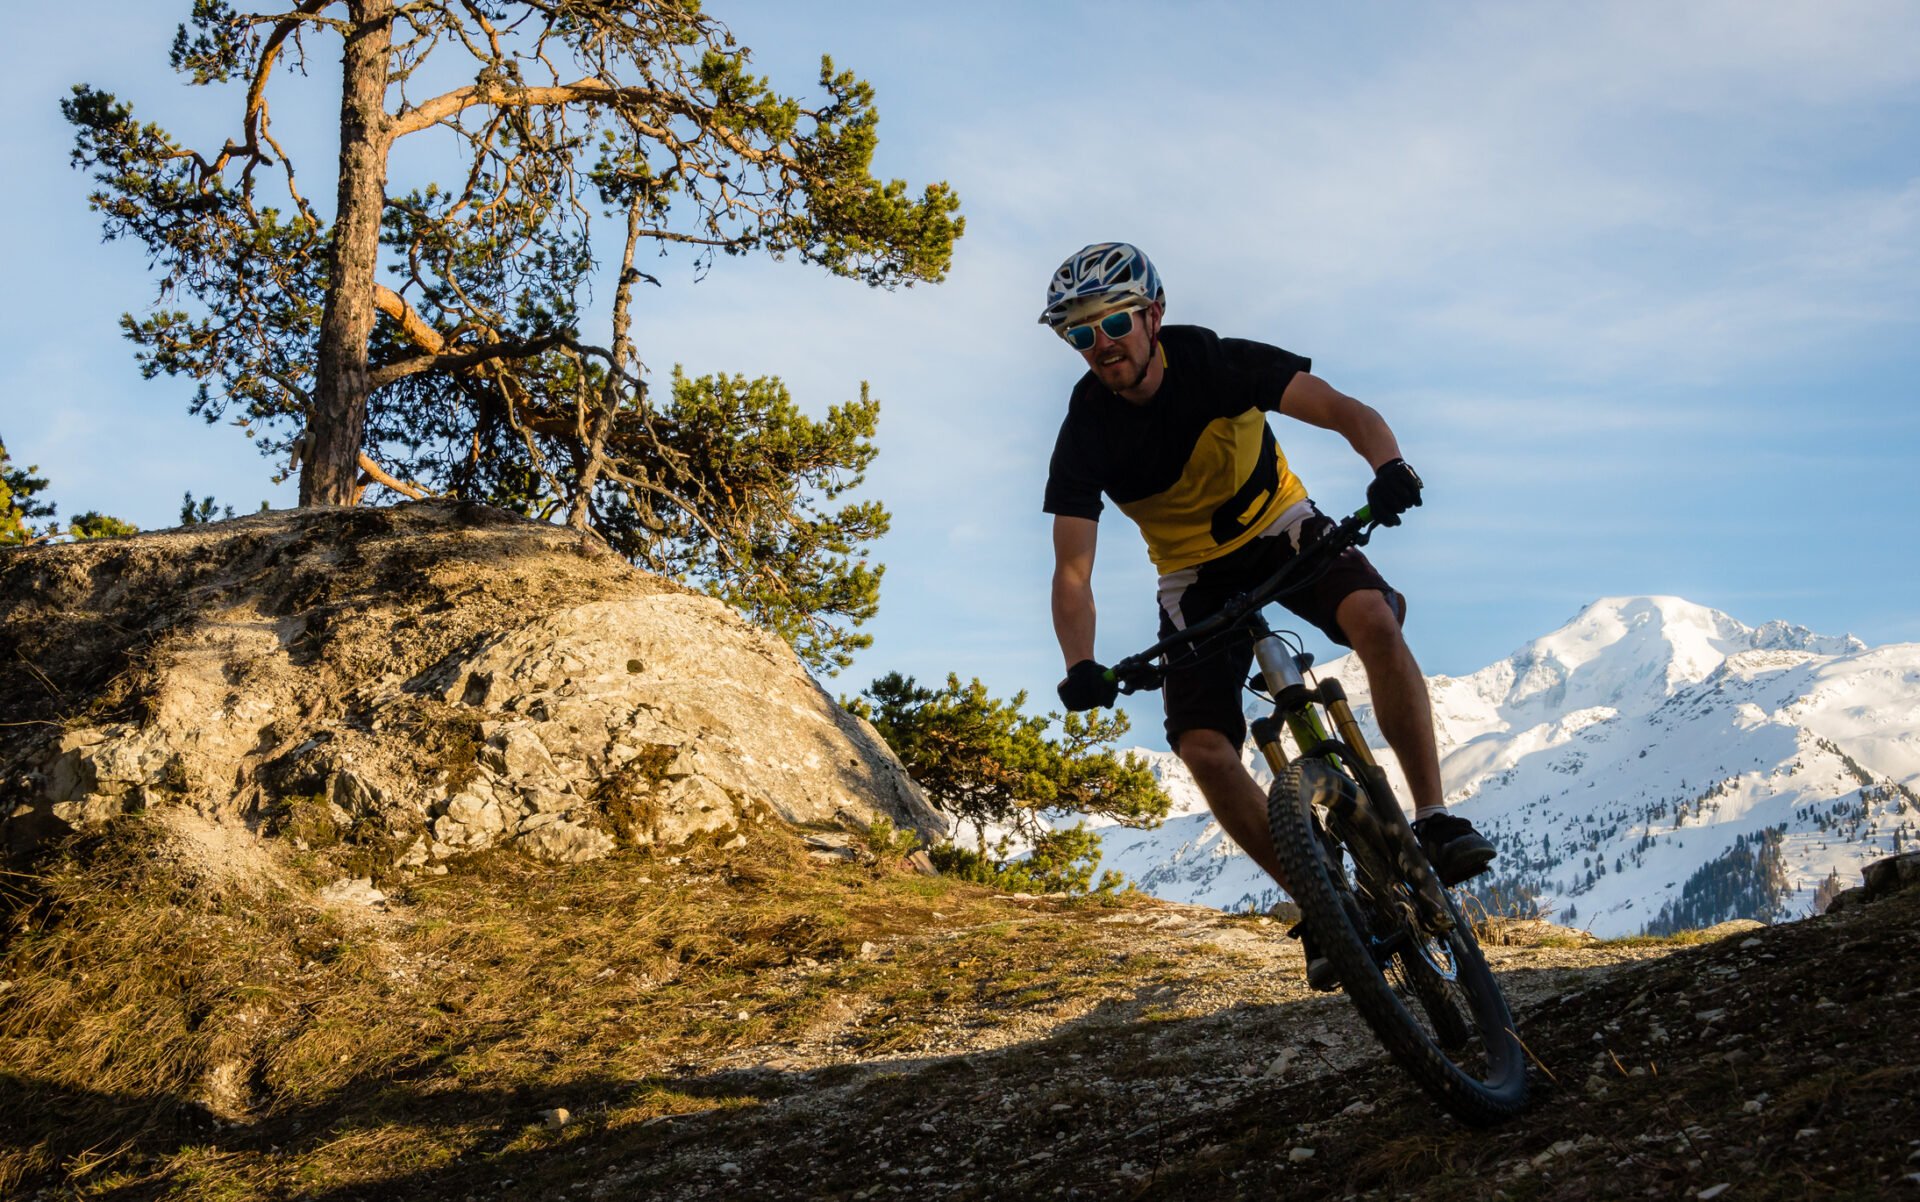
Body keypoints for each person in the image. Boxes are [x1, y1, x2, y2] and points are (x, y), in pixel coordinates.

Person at [1040, 242, 1494, 990]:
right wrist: (1079, 666)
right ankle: (1324, 904)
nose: (1101, 346)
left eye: (1113, 323)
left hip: (1283, 525)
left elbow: (1343, 410)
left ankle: (1436, 817)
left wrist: (1389, 469)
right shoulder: (1086, 428)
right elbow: (1071, 567)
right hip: (1192, 578)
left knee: (1375, 621)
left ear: (1153, 315)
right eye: (1080, 335)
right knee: (1203, 747)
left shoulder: (1216, 362)